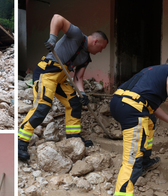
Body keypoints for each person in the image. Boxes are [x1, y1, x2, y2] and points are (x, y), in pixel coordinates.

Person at [109, 55, 168, 196]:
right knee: (130, 163)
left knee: (149, 119)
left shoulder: (151, 71)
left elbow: (150, 106)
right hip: (132, 110)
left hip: (120, 102)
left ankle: (145, 161)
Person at [18, 14, 108, 160]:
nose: (100, 51)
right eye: (101, 48)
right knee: (43, 106)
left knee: (74, 104)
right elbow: (57, 18)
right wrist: (52, 38)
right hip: (46, 73)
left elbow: (78, 77)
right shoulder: (77, 35)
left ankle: (74, 138)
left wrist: (83, 94)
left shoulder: (86, 58)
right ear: (96, 41)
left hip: (60, 79)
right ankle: (20, 141)